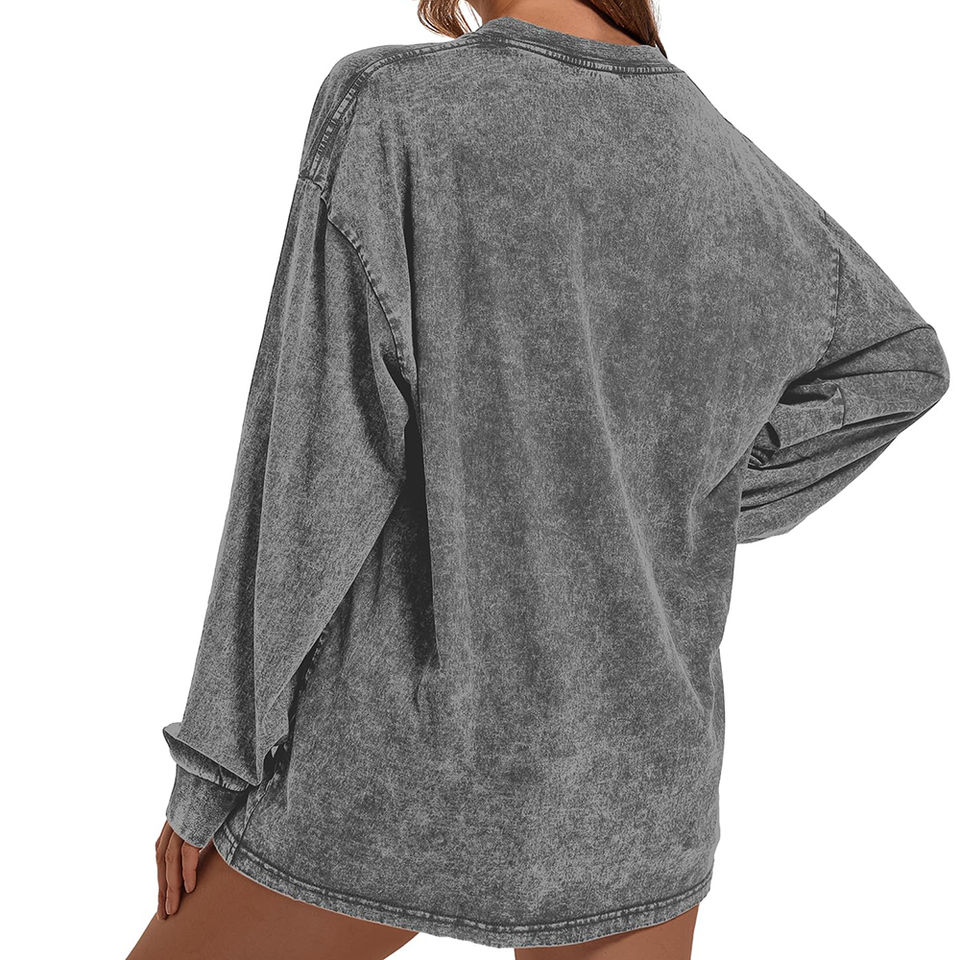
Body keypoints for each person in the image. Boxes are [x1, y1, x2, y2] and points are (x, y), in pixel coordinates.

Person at [127, 1, 950, 958]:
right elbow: (899, 364)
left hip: (400, 771)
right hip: (635, 792)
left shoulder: (396, 108)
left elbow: (305, 466)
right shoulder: (727, 170)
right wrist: (666, 498)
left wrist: (214, 760)